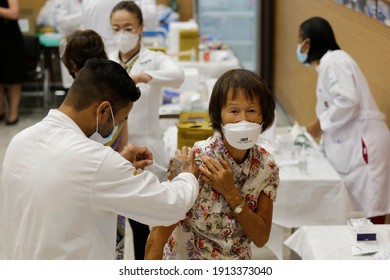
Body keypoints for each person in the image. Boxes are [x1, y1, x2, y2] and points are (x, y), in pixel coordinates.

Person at [1, 58, 199, 259]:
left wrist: (118, 162)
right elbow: (169, 205)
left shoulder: (20, 141)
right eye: (119, 121)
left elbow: (65, 183)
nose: (116, 128)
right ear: (103, 110)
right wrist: (186, 175)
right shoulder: (97, 162)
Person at [145, 69, 280, 260]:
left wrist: (232, 193)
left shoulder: (267, 166)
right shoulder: (194, 162)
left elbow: (260, 238)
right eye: (234, 111)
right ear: (219, 115)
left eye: (251, 111)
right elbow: (156, 239)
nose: (243, 120)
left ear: (263, 116)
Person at [108, 1, 185, 259]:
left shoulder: (154, 59)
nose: (122, 34)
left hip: (148, 150)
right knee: (118, 221)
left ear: (141, 27)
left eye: (128, 27)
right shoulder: (107, 62)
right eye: (116, 28)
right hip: (114, 151)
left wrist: (144, 76)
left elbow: (178, 75)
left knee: (148, 223)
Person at [297, 17, 390, 224]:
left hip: (365, 143)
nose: (299, 49)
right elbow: (337, 109)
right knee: (358, 212)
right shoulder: (328, 66)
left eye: (300, 42)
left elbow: (347, 101)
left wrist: (320, 124)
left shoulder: (335, 61)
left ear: (310, 43)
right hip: (354, 144)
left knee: (371, 212)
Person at [0, 0, 26, 125]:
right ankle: (1, 110)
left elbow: (14, 13)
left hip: (10, 39)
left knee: (14, 78)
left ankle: (13, 113)